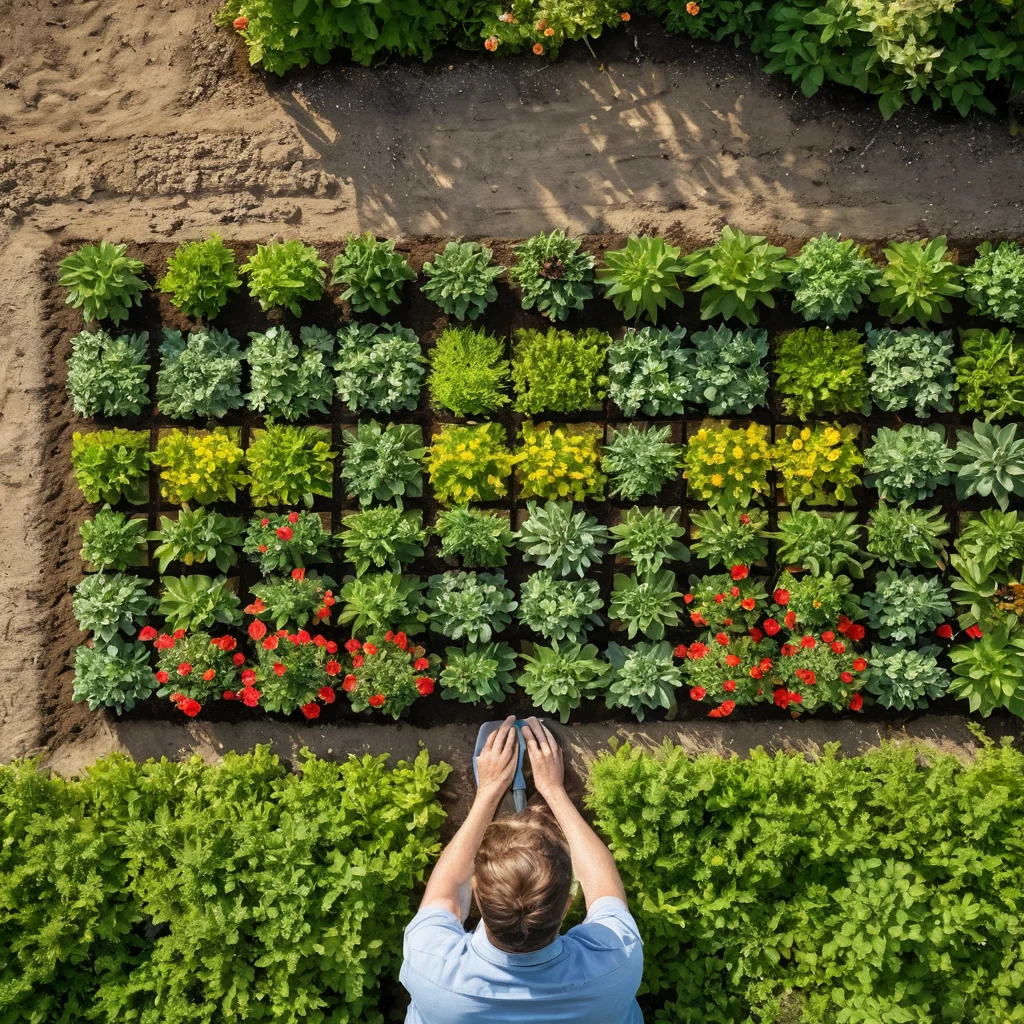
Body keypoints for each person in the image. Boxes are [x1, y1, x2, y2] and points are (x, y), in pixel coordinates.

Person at [400, 716, 644, 1023]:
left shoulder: (430, 965)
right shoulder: (615, 962)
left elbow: (445, 894)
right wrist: (554, 791)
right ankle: (544, 805)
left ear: (477, 897)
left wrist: (488, 793)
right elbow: (603, 886)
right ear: (567, 906)